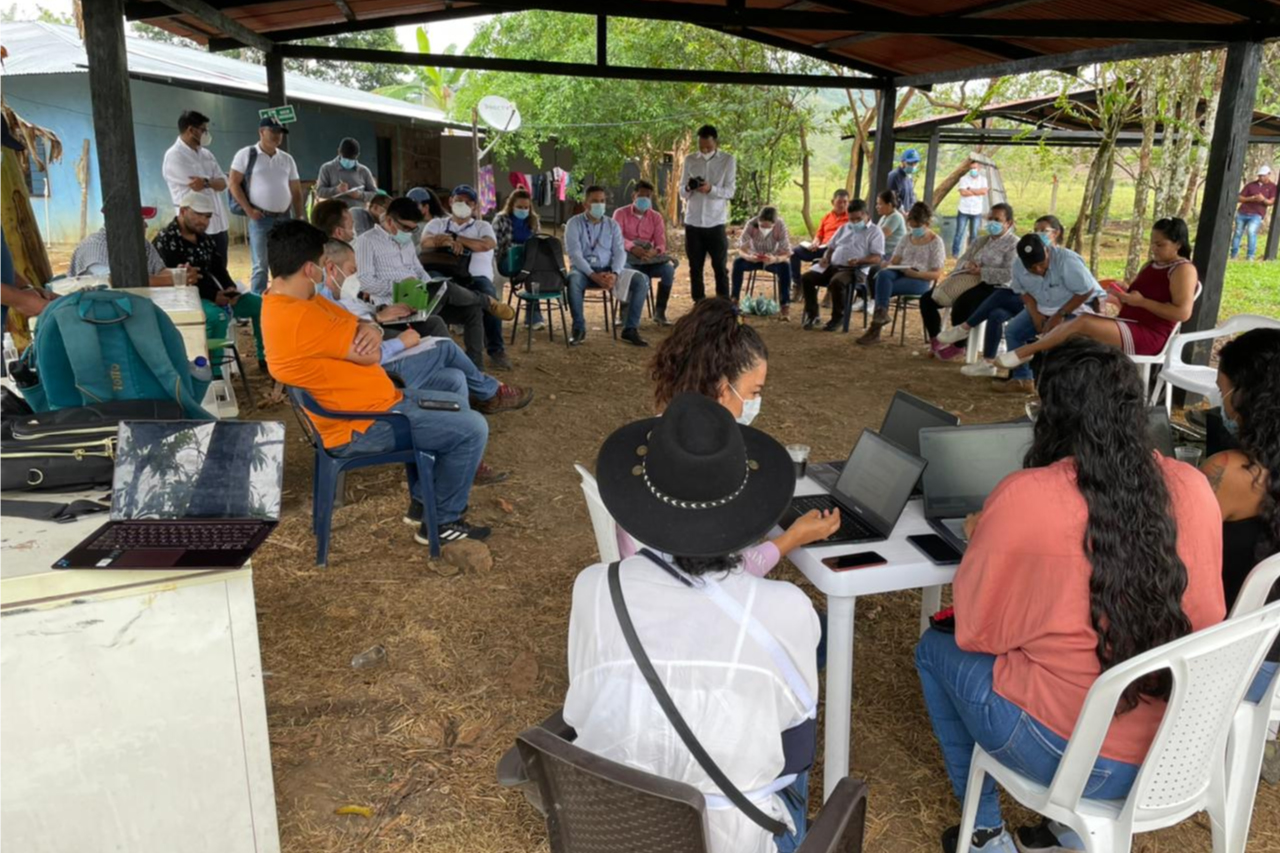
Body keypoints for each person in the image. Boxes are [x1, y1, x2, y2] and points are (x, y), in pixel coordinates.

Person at [915, 338, 1224, 853]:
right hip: (1176, 748)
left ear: (1050, 414)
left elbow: (977, 631)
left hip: (1073, 759)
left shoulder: (1026, 495)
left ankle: (986, 833)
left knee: (935, 649)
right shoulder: (1192, 485)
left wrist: (984, 543)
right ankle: (1065, 833)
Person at [565, 391, 821, 853]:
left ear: (643, 500)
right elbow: (797, 746)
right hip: (734, 838)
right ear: (749, 510)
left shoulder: (594, 589)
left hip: (612, 829)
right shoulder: (786, 609)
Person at [260, 220, 492, 544]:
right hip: (362, 425)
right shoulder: (300, 317)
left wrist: (373, 327)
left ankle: (423, 504)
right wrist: (371, 330)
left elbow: (357, 323)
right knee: (473, 427)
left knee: (452, 386)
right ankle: (441, 522)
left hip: (375, 405)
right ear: (311, 269)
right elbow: (369, 354)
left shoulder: (294, 299)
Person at [644, 297, 841, 572]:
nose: (755, 401)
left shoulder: (657, 438)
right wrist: (793, 538)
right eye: (754, 392)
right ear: (724, 391)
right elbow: (722, 576)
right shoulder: (703, 472)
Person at [319, 239, 533, 418]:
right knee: (445, 347)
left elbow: (361, 325)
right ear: (330, 267)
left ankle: (466, 430)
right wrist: (397, 339)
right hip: (376, 376)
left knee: (455, 376)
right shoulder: (323, 306)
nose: (356, 277)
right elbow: (364, 351)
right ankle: (490, 391)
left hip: (383, 334)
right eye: (352, 270)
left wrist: (377, 316)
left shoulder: (336, 298)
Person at [1202, 328, 1280, 752]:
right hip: (1269, 655)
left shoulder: (1232, 471)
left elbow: (1164, 546)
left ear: (1248, 395)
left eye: (1223, 390)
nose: (1221, 405)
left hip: (1220, 662)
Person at [995, 218, 1197, 376]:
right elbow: (1141, 294)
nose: (1153, 249)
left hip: (1149, 334)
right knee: (1073, 337)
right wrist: (1123, 295)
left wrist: (1141, 302)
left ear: (1178, 244)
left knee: (1082, 322)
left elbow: (1183, 313)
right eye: (1152, 243)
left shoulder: (1183, 269)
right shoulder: (1152, 265)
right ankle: (1062, 387)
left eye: (1160, 245)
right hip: (1129, 323)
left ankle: (1026, 352)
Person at [353, 197, 513, 371]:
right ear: (390, 220)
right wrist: (399, 285)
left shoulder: (405, 241)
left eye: (413, 229)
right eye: (405, 228)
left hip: (419, 298)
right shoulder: (367, 241)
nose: (408, 233)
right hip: (394, 307)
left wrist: (428, 286)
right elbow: (365, 281)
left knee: (471, 310)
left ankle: (476, 368)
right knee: (449, 289)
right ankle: (486, 300)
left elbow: (419, 270)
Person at [152, 191, 265, 370]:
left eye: (207, 217)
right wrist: (214, 296)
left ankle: (264, 358)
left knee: (259, 304)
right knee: (216, 317)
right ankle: (214, 373)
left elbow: (218, 268)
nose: (204, 221)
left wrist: (230, 288)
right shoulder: (166, 240)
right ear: (182, 211)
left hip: (216, 295)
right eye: (198, 215)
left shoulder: (205, 239)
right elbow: (181, 280)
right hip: (185, 301)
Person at [987, 230, 1104, 394]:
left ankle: (1065, 387)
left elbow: (1085, 291)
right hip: (1042, 306)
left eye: (1042, 264)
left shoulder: (1067, 261)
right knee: (1013, 331)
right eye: (1032, 267)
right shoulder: (1018, 266)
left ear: (1047, 250)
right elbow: (1023, 292)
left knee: (1060, 339)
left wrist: (1060, 315)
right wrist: (1035, 314)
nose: (1038, 269)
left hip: (1074, 307)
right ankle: (1022, 380)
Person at [422, 184, 512, 370]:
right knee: (435, 287)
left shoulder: (482, 225)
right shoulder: (437, 223)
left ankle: (496, 350)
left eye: (468, 202)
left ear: (475, 206)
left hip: (475, 278)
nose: (463, 204)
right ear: (450, 202)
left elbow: (487, 244)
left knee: (488, 294)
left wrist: (455, 239)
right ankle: (434, 350)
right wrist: (445, 240)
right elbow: (425, 242)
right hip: (444, 273)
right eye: (459, 200)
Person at [921, 202, 1018, 362]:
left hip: (994, 287)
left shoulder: (1014, 244)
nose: (992, 223)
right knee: (927, 299)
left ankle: (960, 346)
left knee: (962, 304)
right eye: (990, 218)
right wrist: (968, 265)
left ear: (1009, 223)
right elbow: (962, 259)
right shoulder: (981, 240)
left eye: (998, 220)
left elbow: (1009, 274)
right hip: (968, 279)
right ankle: (937, 339)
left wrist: (982, 271)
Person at [564, 185, 649, 347]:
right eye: (595, 201)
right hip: (583, 272)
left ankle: (630, 329)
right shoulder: (573, 223)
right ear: (585, 204)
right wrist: (593, 275)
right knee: (573, 280)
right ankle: (578, 329)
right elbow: (575, 255)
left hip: (609, 271)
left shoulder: (612, 225)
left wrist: (615, 274)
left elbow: (620, 252)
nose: (599, 205)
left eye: (602, 201)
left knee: (642, 280)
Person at [228, 116, 303, 295]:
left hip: (284, 218)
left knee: (285, 263)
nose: (278, 136)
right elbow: (233, 183)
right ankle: (258, 307)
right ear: (261, 132)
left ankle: (282, 302)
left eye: (280, 133)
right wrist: (249, 210)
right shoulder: (246, 154)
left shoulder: (287, 159)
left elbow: (296, 190)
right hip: (260, 218)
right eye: (273, 131)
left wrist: (299, 216)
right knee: (260, 266)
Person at [857, 201, 945, 346]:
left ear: (927, 223)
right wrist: (888, 264)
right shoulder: (906, 238)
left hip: (920, 280)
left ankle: (876, 327)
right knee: (882, 275)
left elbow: (936, 274)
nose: (914, 229)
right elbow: (895, 260)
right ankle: (880, 316)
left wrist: (917, 274)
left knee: (883, 286)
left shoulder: (936, 242)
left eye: (917, 226)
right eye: (912, 225)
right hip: (900, 272)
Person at [800, 198, 884, 331]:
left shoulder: (875, 232)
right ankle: (813, 315)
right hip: (833, 266)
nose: (854, 222)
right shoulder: (844, 227)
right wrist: (826, 258)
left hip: (854, 270)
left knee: (837, 282)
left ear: (866, 214)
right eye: (851, 219)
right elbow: (831, 247)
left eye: (857, 219)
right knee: (807, 278)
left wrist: (860, 261)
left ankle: (838, 317)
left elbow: (877, 257)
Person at [161, 110, 230, 268]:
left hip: (218, 224)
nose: (206, 134)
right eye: (203, 130)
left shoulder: (207, 154)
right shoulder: (174, 156)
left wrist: (207, 182)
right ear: (191, 130)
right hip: (195, 226)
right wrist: (211, 182)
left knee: (221, 269)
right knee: (200, 273)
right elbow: (197, 187)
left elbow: (223, 182)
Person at [679, 124, 736, 302]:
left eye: (708, 147)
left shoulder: (727, 160)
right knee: (695, 267)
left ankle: (724, 305)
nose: (704, 150)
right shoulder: (690, 159)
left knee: (720, 267)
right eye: (701, 146)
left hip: (716, 221)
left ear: (715, 142)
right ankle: (699, 303)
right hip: (693, 221)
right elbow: (682, 191)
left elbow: (730, 191)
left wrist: (711, 188)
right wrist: (690, 187)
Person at [615, 180, 678, 326]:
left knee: (668, 270)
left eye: (648, 197)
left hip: (649, 260)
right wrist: (632, 247)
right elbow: (616, 238)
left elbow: (661, 243)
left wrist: (654, 251)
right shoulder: (620, 213)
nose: (644, 199)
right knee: (625, 270)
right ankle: (624, 314)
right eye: (641, 196)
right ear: (633, 196)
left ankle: (660, 313)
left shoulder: (656, 217)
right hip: (628, 257)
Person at [69, 206, 181, 287]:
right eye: (140, 220)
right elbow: (118, 281)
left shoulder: (142, 243)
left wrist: (180, 273)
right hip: (96, 314)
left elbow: (159, 271)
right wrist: (171, 280)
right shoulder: (94, 246)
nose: (146, 225)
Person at [494, 188, 545, 330]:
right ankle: (495, 314)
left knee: (533, 273)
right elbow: (495, 246)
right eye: (519, 207)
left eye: (526, 207)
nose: (523, 210)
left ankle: (533, 317)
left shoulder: (534, 220)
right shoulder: (501, 219)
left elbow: (538, 242)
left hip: (528, 262)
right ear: (511, 206)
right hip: (505, 260)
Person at [731, 206, 793, 318]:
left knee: (785, 267)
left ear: (774, 224)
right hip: (754, 257)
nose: (764, 229)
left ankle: (785, 305)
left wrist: (775, 259)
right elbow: (740, 248)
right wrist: (749, 257)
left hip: (772, 259)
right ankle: (734, 299)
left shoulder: (780, 225)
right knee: (738, 263)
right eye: (761, 226)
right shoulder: (751, 223)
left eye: (768, 227)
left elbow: (787, 252)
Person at [789, 189, 850, 285]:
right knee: (794, 252)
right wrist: (815, 243)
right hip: (821, 248)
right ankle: (797, 283)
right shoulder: (826, 217)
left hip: (836, 250)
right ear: (832, 202)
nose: (842, 205)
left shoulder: (850, 219)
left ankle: (831, 289)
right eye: (839, 202)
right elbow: (819, 235)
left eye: (845, 202)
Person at [1230, 164, 1276, 261]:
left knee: (1251, 232)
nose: (1261, 177)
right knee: (1238, 233)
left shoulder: (1272, 187)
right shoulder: (1251, 185)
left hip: (1257, 214)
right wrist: (1250, 198)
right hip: (1243, 212)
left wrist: (1263, 199)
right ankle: (1234, 254)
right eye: (1260, 175)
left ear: (1269, 174)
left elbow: (1271, 202)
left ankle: (1250, 256)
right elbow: (1239, 198)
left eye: (1263, 175)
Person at [315, 137, 377, 209]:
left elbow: (374, 194)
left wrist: (360, 195)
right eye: (345, 158)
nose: (348, 161)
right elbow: (320, 192)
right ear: (338, 152)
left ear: (358, 155)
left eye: (352, 158)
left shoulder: (364, 171)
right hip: (334, 214)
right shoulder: (327, 168)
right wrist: (336, 190)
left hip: (358, 215)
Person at [952, 163, 988, 257]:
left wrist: (970, 189)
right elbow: (963, 193)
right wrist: (977, 191)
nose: (973, 170)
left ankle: (970, 254)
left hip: (976, 210)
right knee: (959, 233)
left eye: (975, 168)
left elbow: (984, 191)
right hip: (963, 209)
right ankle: (955, 254)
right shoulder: (963, 179)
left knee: (974, 234)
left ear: (979, 168)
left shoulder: (983, 180)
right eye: (971, 168)